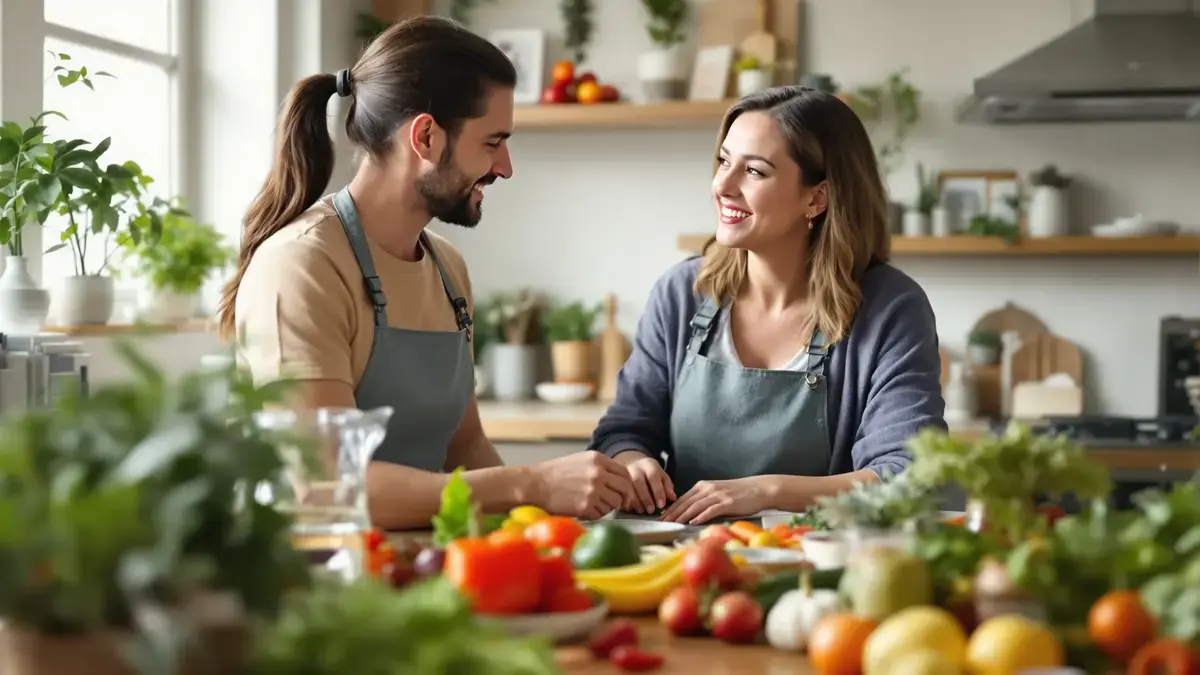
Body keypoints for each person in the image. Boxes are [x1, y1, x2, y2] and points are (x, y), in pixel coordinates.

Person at [217, 16, 634, 529]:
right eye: (492, 142)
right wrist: (534, 484)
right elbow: (325, 483)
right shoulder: (302, 265)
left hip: (420, 564)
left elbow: (466, 446)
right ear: (427, 137)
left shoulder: (447, 268)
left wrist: (541, 532)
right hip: (317, 577)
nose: (505, 167)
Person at [589, 86, 946, 525]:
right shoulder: (683, 292)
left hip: (817, 571)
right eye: (724, 161)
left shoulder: (891, 308)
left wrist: (767, 491)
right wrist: (631, 461)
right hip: (685, 562)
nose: (723, 185)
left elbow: (906, 473)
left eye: (754, 172)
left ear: (816, 198)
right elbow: (623, 431)